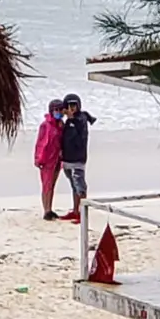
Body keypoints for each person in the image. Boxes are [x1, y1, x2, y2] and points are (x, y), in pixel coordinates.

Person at [60, 93, 96, 224]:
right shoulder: (69, 121)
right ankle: (75, 210)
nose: (72, 108)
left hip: (78, 159)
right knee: (74, 186)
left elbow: (79, 139)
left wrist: (71, 121)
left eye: (74, 105)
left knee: (80, 186)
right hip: (68, 159)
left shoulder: (80, 120)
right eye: (69, 105)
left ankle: (82, 213)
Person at [34, 98, 65, 220]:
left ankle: (50, 208)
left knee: (52, 185)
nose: (58, 112)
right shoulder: (45, 125)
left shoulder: (61, 125)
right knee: (46, 185)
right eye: (56, 110)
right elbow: (40, 143)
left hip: (57, 159)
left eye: (60, 110)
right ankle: (46, 210)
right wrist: (38, 159)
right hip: (46, 159)